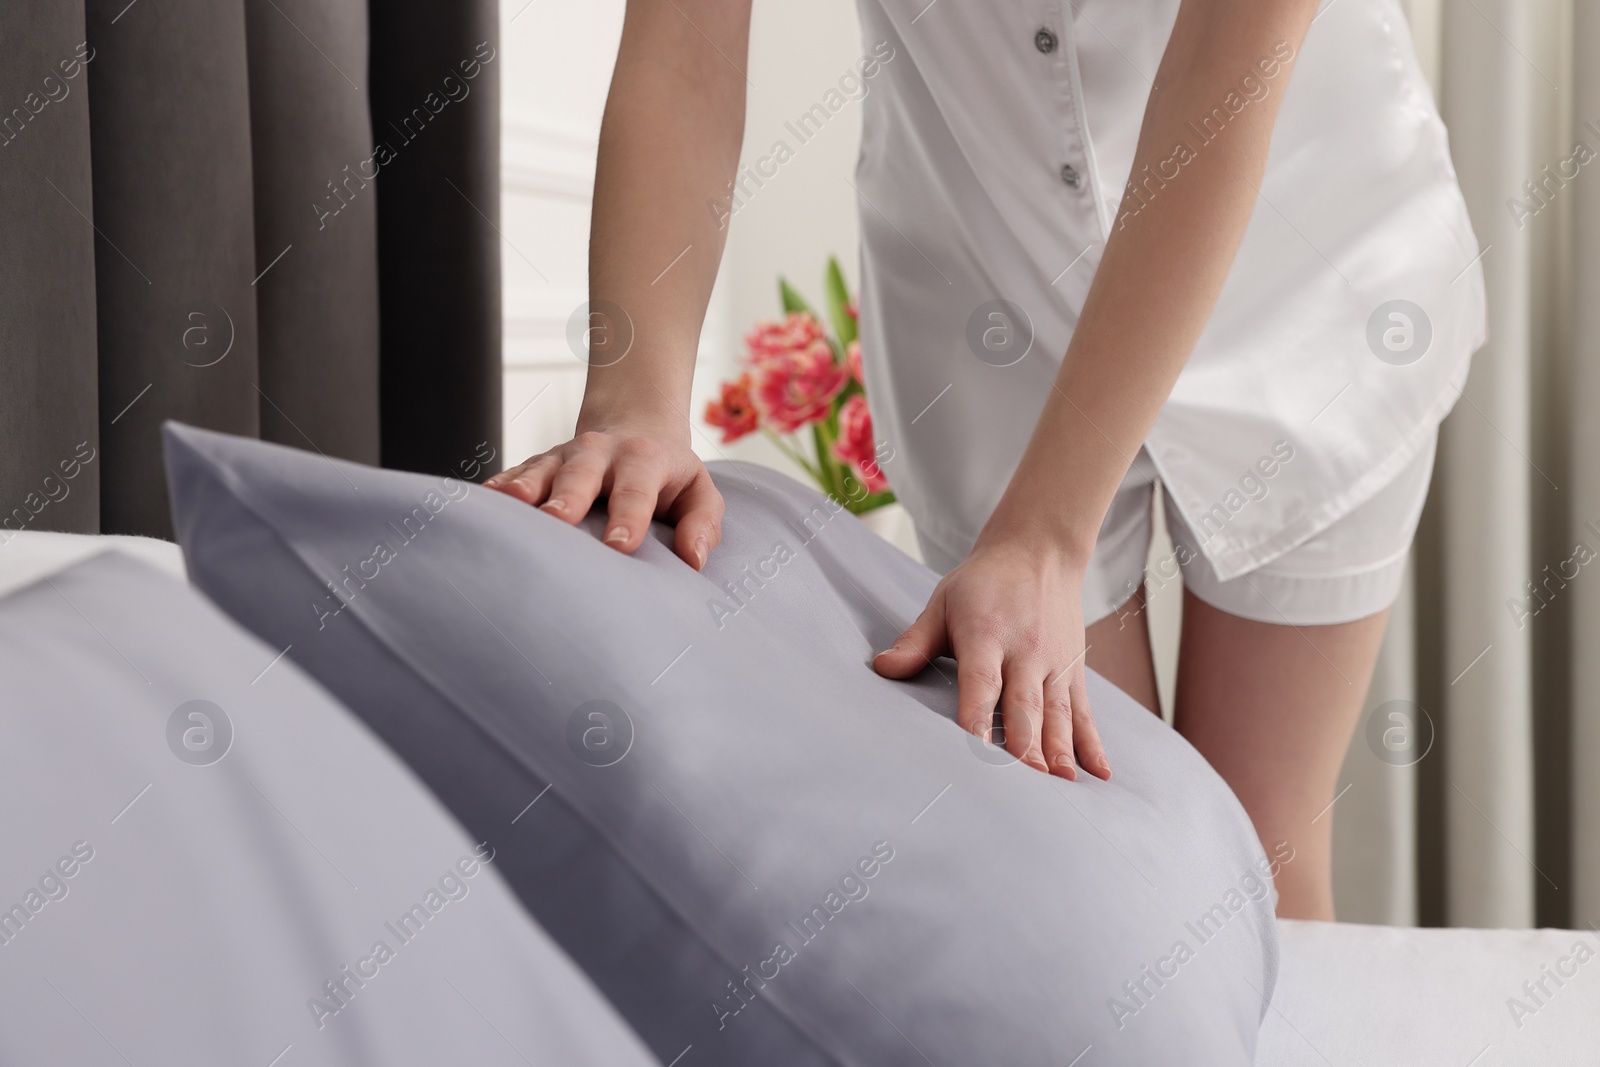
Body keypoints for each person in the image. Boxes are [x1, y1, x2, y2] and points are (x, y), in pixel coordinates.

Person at [485, 0, 1486, 921]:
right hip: (985, 293)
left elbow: (1219, 92)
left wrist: (1049, 532)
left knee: (1261, 857)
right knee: (1097, 871)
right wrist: (637, 400)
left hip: (1301, 264)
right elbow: (684, 50)